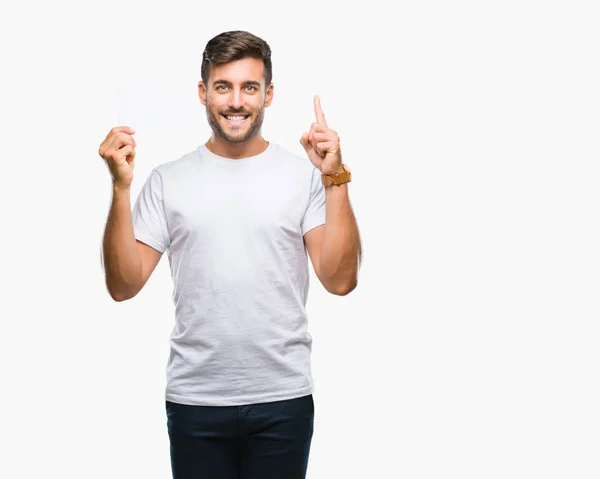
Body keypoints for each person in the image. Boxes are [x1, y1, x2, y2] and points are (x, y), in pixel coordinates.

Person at [98, 30, 362, 479]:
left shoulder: (303, 178)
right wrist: (121, 188)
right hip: (196, 401)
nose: (236, 101)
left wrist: (334, 177)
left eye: (249, 87)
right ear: (204, 93)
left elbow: (340, 281)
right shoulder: (168, 181)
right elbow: (123, 286)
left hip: (283, 399)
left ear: (268, 95)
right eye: (223, 86)